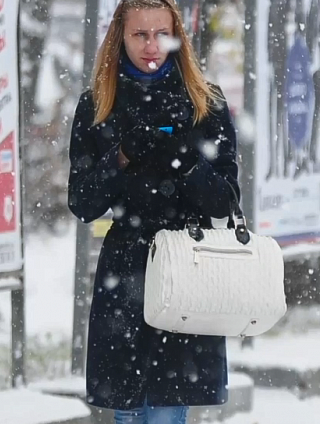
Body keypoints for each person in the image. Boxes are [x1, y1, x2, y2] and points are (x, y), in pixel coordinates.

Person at [67, 1, 239, 422]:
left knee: (167, 409)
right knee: (126, 410)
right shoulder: (98, 105)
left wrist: (186, 160)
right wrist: (121, 156)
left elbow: (226, 201)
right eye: (139, 34)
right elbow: (83, 202)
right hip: (125, 269)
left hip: (187, 265)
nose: (152, 46)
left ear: (177, 35)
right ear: (120, 38)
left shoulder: (205, 103)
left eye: (161, 34)